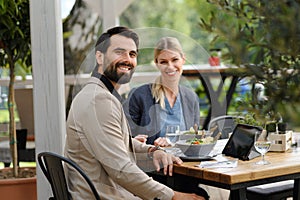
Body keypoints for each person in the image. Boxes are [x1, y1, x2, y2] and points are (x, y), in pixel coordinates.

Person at [64, 26, 208, 200]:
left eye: (132, 54)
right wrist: (174, 197)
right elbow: (122, 170)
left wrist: (152, 150)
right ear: (99, 56)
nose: (127, 59)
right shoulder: (99, 101)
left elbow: (118, 142)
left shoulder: (97, 94)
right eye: (119, 52)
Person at [123, 37, 200, 147]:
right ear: (157, 63)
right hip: (152, 161)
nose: (170, 66)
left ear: (183, 59)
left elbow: (195, 139)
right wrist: (137, 143)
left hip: (185, 162)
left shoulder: (191, 97)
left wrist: (172, 143)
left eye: (175, 60)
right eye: (163, 62)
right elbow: (122, 136)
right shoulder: (139, 95)